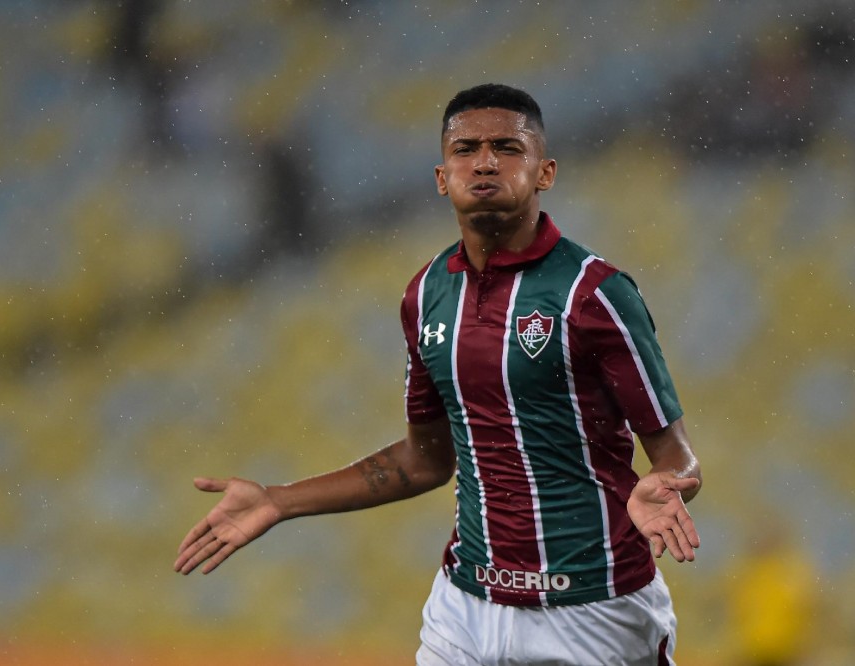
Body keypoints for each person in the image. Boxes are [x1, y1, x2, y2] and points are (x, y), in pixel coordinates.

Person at [174, 83, 702, 666]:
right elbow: (424, 459)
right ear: (442, 176)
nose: (484, 162)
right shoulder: (426, 294)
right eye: (465, 149)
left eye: (507, 147)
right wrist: (278, 501)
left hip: (592, 609)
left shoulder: (595, 293)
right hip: (466, 608)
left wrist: (669, 483)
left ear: (545, 172)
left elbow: (676, 456)